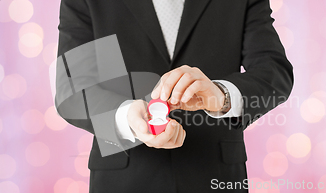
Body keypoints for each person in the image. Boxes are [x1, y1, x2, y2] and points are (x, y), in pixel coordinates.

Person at [56, 0, 293, 192]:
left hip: (215, 177)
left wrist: (221, 96)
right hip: (122, 180)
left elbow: (274, 71)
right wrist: (128, 116)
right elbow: (72, 88)